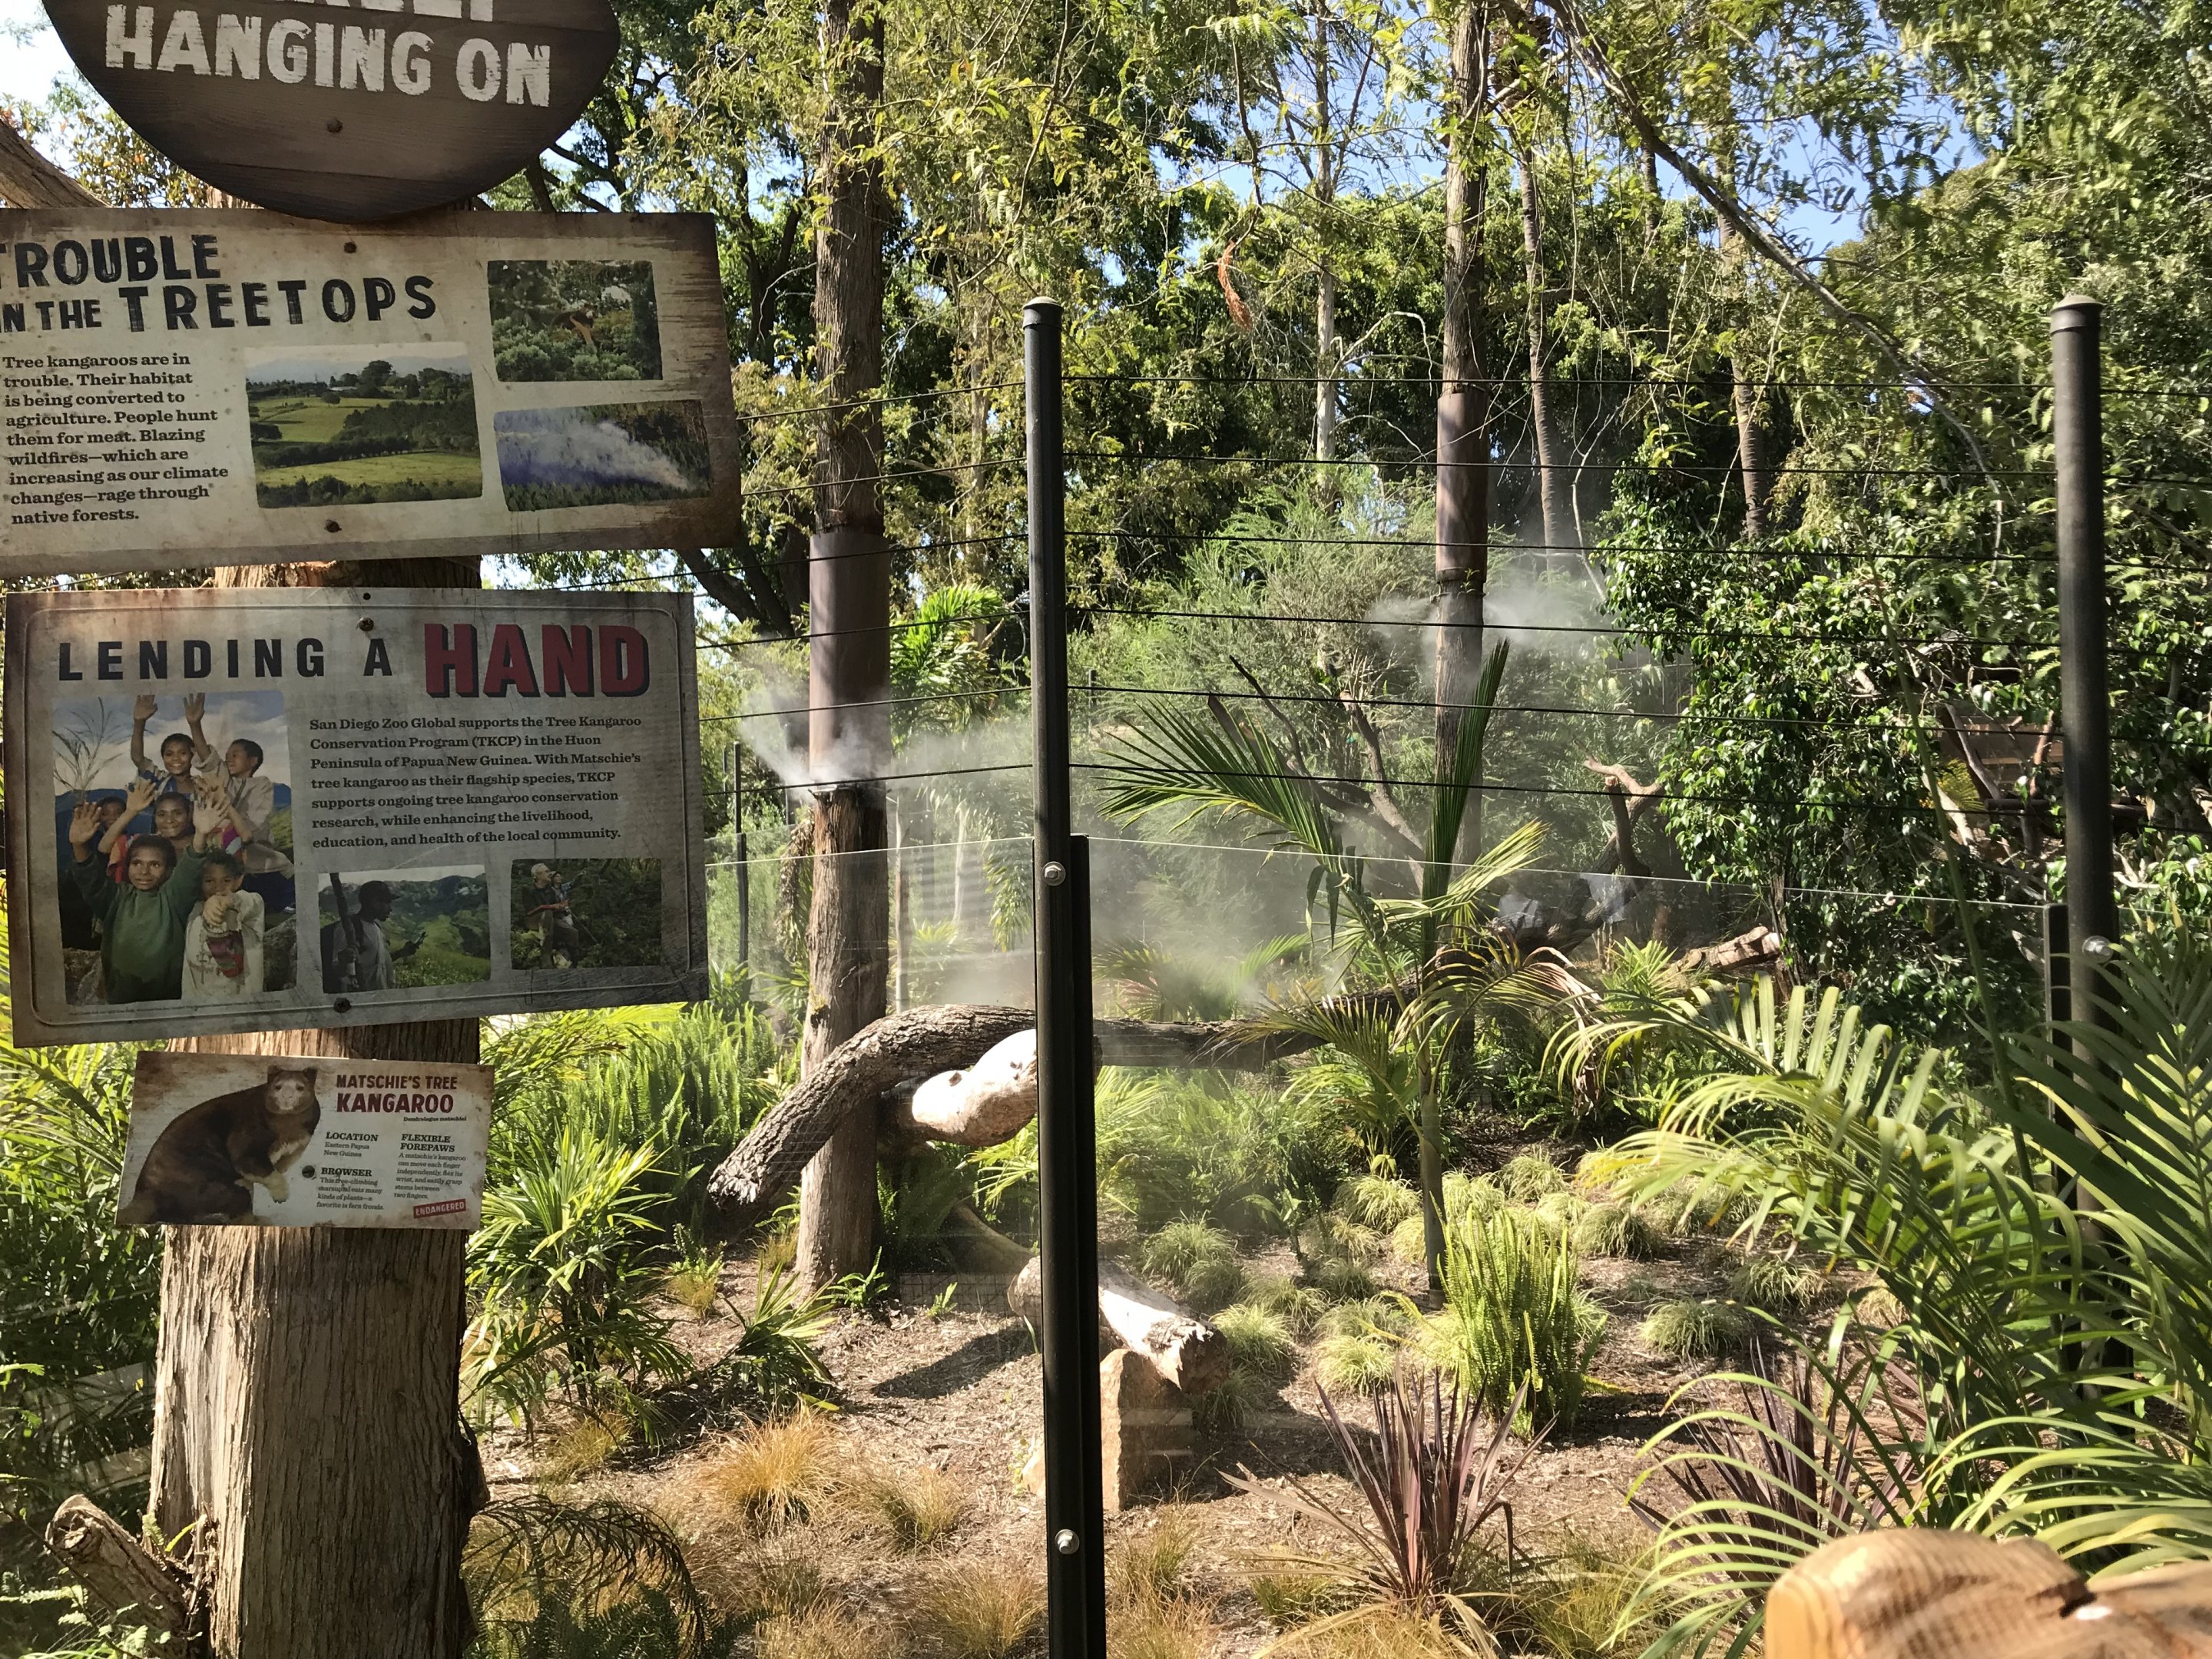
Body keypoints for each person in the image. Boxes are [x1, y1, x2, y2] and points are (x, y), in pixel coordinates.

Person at [68, 777, 203, 1002]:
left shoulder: (173, 899)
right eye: (137, 863)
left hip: (168, 998)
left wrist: (202, 834)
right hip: (121, 995)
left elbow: (190, 869)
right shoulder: (116, 898)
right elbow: (90, 879)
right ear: (127, 865)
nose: (144, 871)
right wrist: (79, 845)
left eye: (155, 865)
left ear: (169, 871)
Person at [183, 848, 264, 1001]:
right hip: (200, 1008)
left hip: (243, 1006)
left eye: (226, 881)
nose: (218, 887)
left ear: (238, 881)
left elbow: (250, 902)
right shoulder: (194, 912)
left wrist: (229, 900)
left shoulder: (250, 908)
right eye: (209, 881)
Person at [320, 880, 419, 993]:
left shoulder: (377, 928)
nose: (390, 909)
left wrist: (402, 953)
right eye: (387, 903)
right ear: (375, 902)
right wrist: (343, 961)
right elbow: (337, 970)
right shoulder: (348, 929)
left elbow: (377, 963)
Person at [129, 693, 208, 796]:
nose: (176, 758)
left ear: (193, 755)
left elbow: (208, 761)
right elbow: (138, 758)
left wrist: (195, 725)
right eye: (169, 754)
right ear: (163, 758)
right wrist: (139, 722)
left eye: (183, 753)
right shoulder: (159, 781)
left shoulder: (202, 786)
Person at [523, 862, 582, 967]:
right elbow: (529, 912)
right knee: (547, 912)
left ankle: (574, 961)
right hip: (533, 921)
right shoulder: (528, 890)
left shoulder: (550, 890)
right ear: (538, 875)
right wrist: (549, 907)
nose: (550, 874)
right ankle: (546, 957)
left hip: (550, 920)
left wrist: (561, 907)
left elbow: (555, 908)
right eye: (546, 871)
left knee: (573, 932)